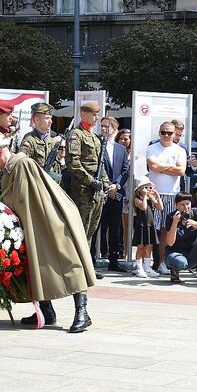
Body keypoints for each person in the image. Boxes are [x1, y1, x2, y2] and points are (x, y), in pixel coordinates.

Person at [0, 133, 95, 332]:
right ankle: (46, 311)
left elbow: (24, 199)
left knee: (69, 261)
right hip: (34, 224)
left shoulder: (22, 164)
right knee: (34, 266)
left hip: (51, 222)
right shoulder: (8, 170)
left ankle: (82, 312)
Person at [66, 102, 109, 278]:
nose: (96, 118)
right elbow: (73, 163)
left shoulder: (95, 137)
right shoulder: (76, 135)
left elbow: (100, 164)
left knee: (91, 230)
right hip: (83, 190)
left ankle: (86, 266)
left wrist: (105, 183)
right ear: (83, 115)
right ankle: (76, 268)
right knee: (81, 230)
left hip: (97, 190)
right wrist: (91, 181)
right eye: (93, 114)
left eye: (97, 114)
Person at [147, 121, 187, 275]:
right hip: (153, 194)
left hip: (171, 194)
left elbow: (181, 171)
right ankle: (148, 261)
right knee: (152, 229)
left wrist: (161, 167)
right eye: (163, 132)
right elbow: (153, 167)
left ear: (174, 134)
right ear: (159, 132)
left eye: (169, 133)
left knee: (166, 229)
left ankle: (162, 262)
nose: (166, 135)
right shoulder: (152, 148)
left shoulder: (180, 150)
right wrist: (171, 166)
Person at [97, 116, 129, 272]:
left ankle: (114, 259)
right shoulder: (97, 145)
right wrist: (107, 185)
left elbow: (125, 170)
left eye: (106, 126)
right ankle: (94, 256)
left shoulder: (120, 149)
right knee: (98, 226)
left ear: (115, 130)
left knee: (115, 226)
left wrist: (116, 185)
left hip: (116, 192)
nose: (103, 129)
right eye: (102, 126)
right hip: (100, 191)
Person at [164, 192, 197, 286]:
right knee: (181, 263)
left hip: (191, 254)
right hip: (174, 253)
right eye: (182, 204)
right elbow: (170, 243)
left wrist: (194, 223)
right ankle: (174, 271)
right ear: (176, 206)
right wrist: (175, 223)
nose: (186, 207)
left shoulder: (196, 212)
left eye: (187, 204)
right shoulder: (171, 217)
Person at [20, 103, 64, 179]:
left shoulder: (51, 141)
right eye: (47, 118)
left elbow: (56, 166)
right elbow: (22, 165)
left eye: (51, 118)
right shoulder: (30, 140)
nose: (50, 121)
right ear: (37, 120)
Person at [131, 175, 162, 278]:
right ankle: (139, 268)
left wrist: (156, 196)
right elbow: (143, 207)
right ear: (139, 189)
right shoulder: (137, 199)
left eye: (149, 187)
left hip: (150, 224)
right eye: (145, 187)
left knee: (149, 246)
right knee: (140, 247)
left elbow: (160, 207)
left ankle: (147, 267)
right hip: (141, 224)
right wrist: (144, 196)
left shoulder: (150, 198)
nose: (148, 189)